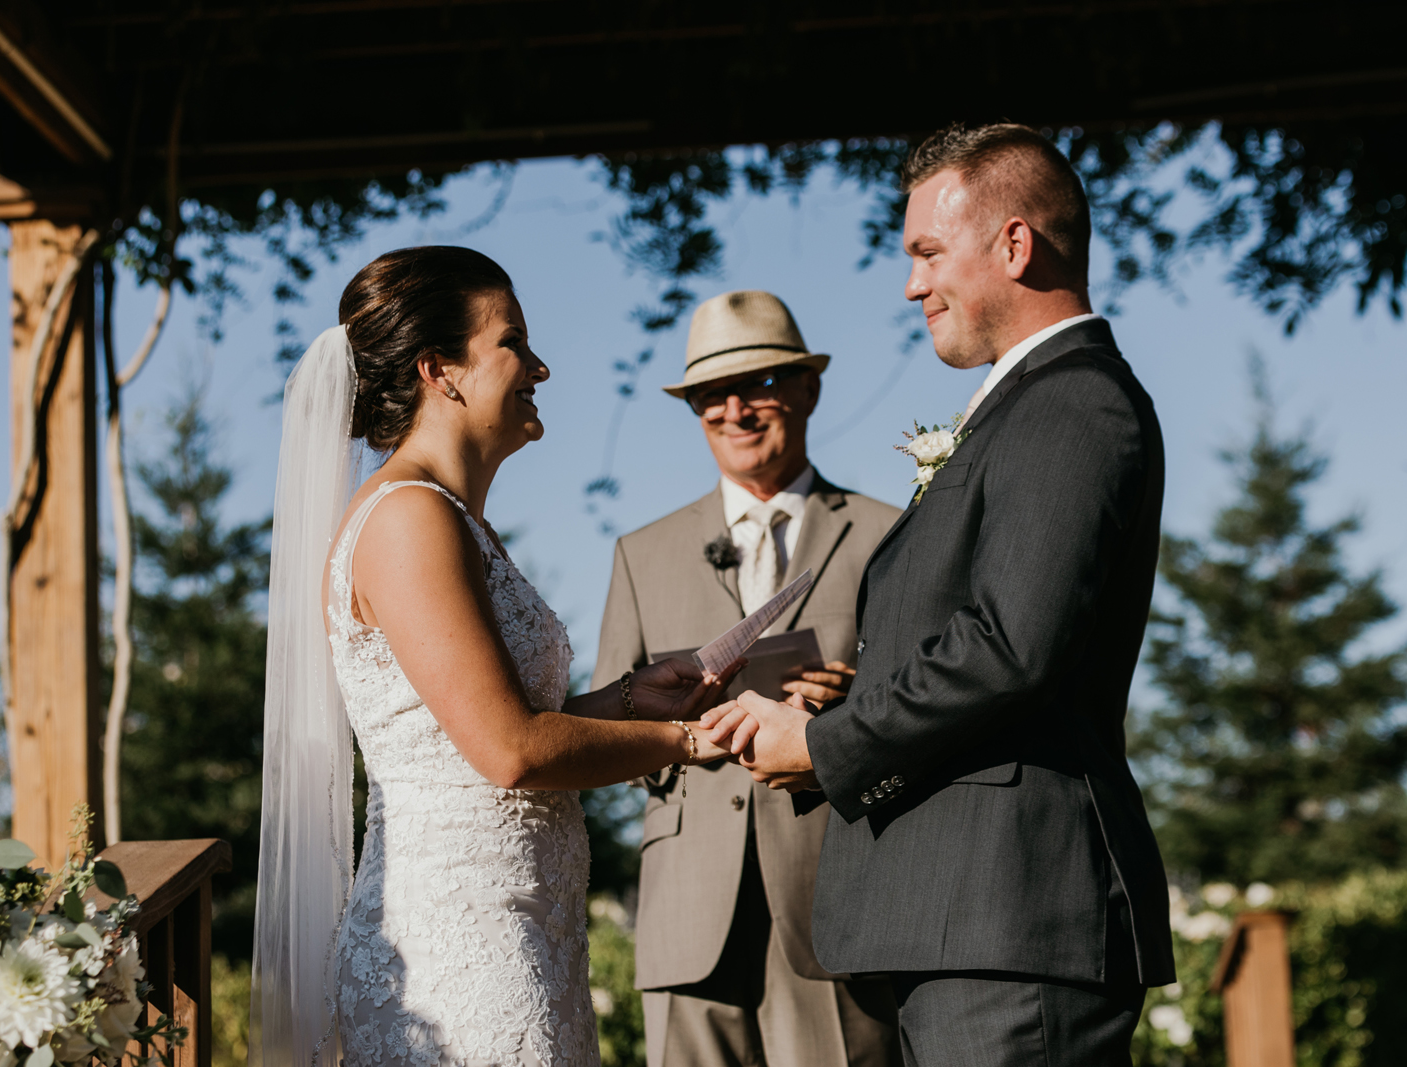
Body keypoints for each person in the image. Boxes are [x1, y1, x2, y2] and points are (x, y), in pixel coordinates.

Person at [705, 123, 1177, 1065]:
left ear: (1015, 244)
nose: (911, 285)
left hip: (1014, 922)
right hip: (966, 924)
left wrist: (827, 745)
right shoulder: (1024, 405)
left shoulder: (1074, 401)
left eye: (927, 252)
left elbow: (1009, 645)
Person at [252, 246, 744, 1067]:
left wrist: (632, 697)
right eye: (513, 342)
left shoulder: (456, 519)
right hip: (460, 951)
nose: (540, 367)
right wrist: (690, 741)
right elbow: (510, 750)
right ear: (439, 370)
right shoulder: (409, 519)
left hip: (525, 929)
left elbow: (482, 726)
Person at [594, 290, 903, 1067]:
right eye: (710, 393)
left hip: (838, 899)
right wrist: (680, 732)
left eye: (758, 383)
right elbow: (608, 734)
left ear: (808, 388)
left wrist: (846, 715)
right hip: (688, 913)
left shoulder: (890, 532)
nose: (733, 410)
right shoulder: (641, 552)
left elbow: (928, 706)